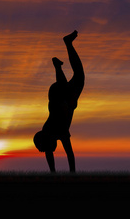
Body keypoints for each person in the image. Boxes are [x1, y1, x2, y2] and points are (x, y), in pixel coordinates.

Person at [34, 30, 84, 172]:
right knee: (78, 75)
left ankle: (58, 64)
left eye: (47, 148)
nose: (50, 150)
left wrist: (71, 172)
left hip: (59, 97)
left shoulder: (55, 131)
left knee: (66, 84)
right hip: (65, 99)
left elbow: (68, 153)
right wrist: (54, 173)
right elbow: (54, 153)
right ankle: (60, 60)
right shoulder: (48, 133)